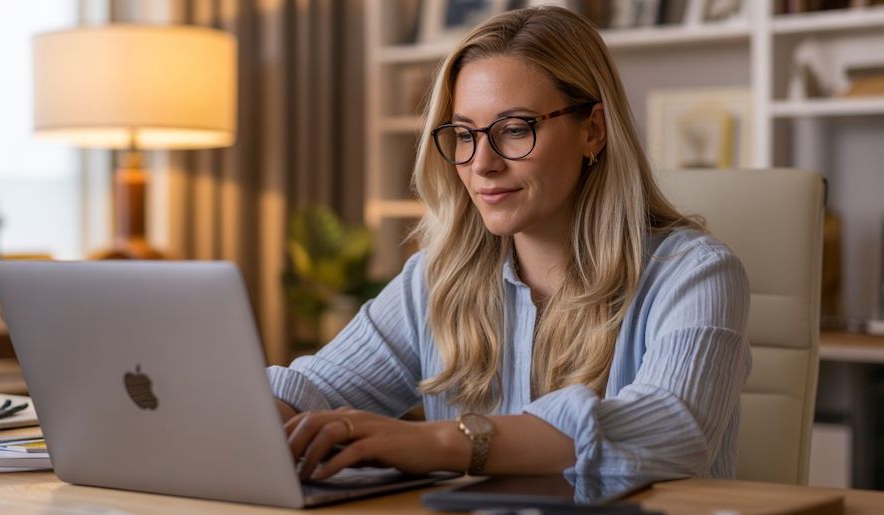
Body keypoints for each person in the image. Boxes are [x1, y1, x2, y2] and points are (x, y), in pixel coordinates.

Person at [267, 6, 750, 483]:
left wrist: (441, 443)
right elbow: (314, 390)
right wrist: (261, 413)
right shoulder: (435, 282)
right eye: (463, 135)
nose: (482, 164)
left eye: (515, 129)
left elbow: (672, 428)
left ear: (593, 130)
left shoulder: (694, 273)